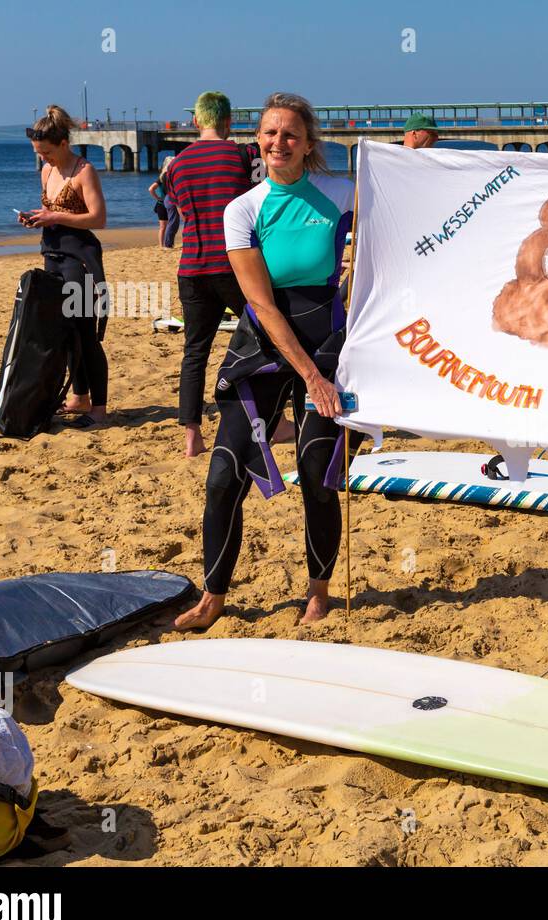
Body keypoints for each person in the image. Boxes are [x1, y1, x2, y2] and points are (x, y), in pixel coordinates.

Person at [175, 93, 359, 631]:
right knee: (223, 475)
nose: (279, 142)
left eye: (291, 135)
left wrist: (357, 289)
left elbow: (396, 236)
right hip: (264, 343)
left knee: (316, 472)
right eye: (270, 133)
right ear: (258, 139)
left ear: (308, 145)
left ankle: (319, 592)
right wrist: (311, 378)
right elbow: (260, 302)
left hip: (328, 342)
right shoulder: (244, 209)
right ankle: (213, 597)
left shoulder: (340, 193)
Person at [165, 91, 256, 458]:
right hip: (234, 265)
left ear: (196, 122)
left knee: (194, 352)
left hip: (192, 267)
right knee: (263, 338)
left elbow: (176, 206)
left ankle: (192, 436)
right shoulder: (241, 155)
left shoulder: (178, 165)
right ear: (229, 121)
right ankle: (262, 417)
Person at [18, 105, 109, 427]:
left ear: (63, 144)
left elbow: (98, 219)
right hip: (52, 255)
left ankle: (98, 408)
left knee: (85, 335)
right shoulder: (48, 171)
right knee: (63, 334)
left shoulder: (84, 171)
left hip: (80, 260)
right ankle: (79, 397)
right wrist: (36, 217)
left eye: (46, 152)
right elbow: (52, 209)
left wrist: (55, 216)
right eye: (38, 153)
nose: (43, 159)